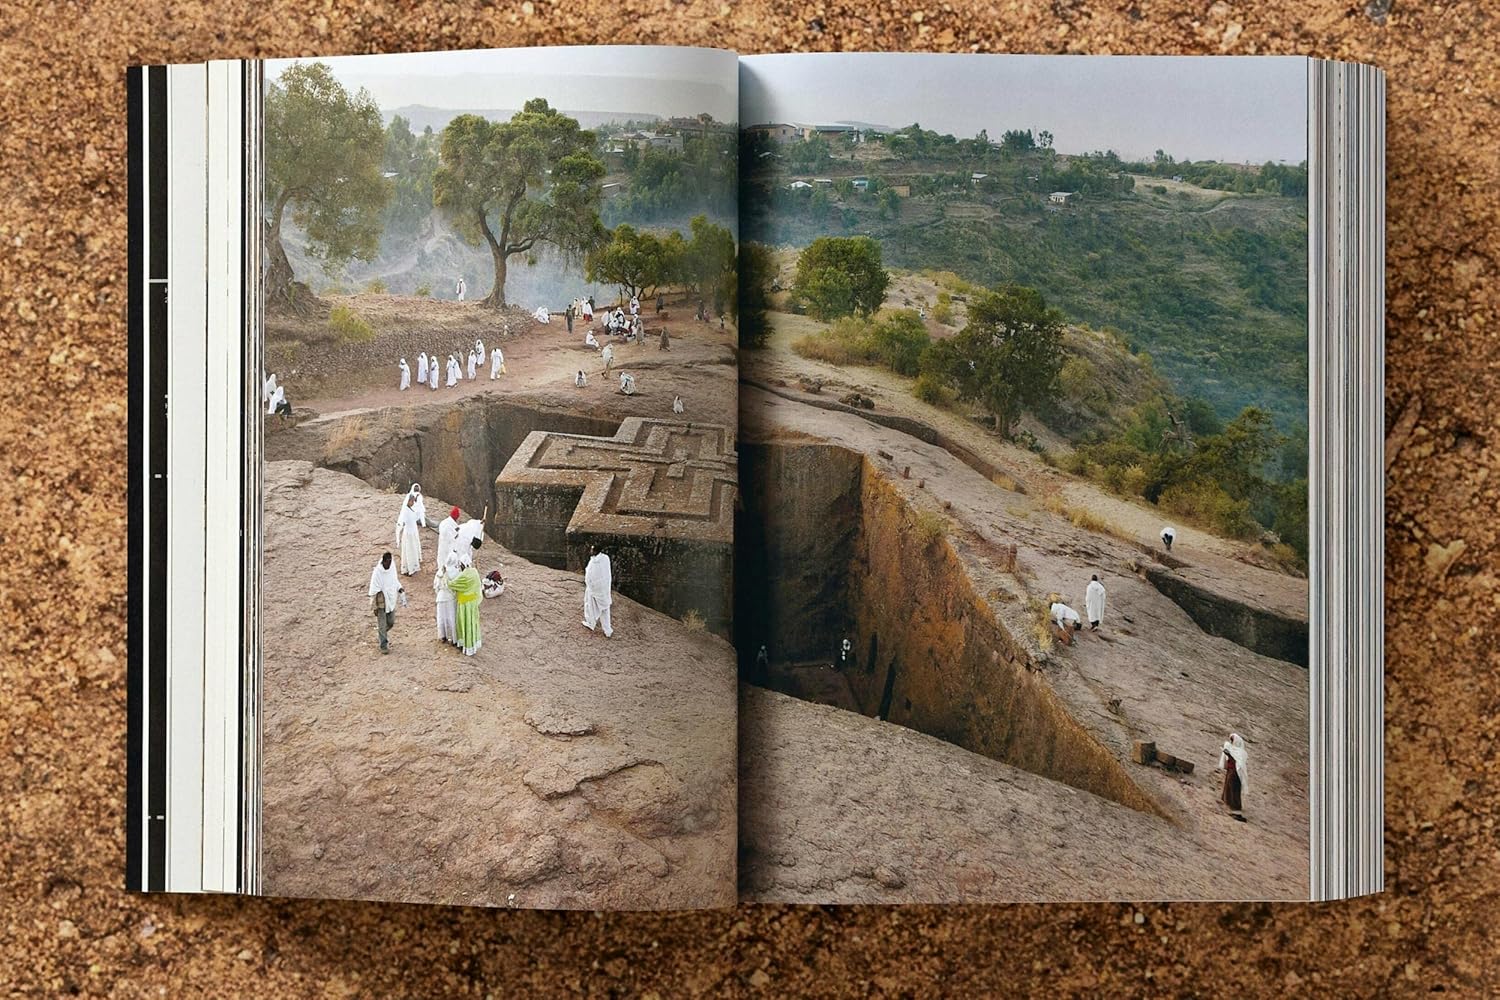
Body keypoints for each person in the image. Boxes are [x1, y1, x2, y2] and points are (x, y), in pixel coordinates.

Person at [368, 551, 404, 654]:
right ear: (383, 562)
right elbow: (374, 589)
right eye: (387, 562)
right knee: (382, 623)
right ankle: (383, 645)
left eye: (390, 561)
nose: (388, 564)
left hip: (391, 599)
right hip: (381, 600)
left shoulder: (392, 568)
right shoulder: (377, 572)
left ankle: (381, 633)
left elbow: (394, 580)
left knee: (391, 621)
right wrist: (375, 604)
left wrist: (399, 588)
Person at [447, 552, 483, 656]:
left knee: (465, 624)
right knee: (473, 623)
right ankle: (473, 645)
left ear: (463, 564)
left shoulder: (463, 575)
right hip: (473, 603)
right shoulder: (474, 572)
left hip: (464, 604)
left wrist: (445, 577)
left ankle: (466, 645)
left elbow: (452, 584)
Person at [582, 546, 613, 637]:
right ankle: (606, 629)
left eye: (592, 549)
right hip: (599, 588)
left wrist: (593, 586)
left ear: (595, 551)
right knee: (600, 607)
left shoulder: (599, 560)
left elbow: (603, 575)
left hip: (597, 588)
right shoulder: (603, 558)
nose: (590, 551)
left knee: (596, 607)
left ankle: (594, 624)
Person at [1219, 732, 1249, 820]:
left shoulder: (1240, 752)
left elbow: (1239, 764)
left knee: (1234, 791)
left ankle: (1237, 812)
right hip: (1231, 771)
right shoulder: (1233, 750)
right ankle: (1230, 806)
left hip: (1235, 774)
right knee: (1229, 789)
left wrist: (1229, 754)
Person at [396, 494, 424, 576]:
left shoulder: (411, 509)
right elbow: (401, 522)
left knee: (413, 549)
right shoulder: (405, 511)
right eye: (411, 501)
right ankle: (409, 568)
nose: (412, 503)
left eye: (413, 501)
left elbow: (415, 517)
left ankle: (413, 566)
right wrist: (398, 535)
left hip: (413, 532)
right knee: (409, 551)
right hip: (408, 534)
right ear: (408, 501)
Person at [434, 555, 458, 646]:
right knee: (451, 618)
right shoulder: (456, 572)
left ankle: (442, 636)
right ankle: (452, 638)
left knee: (441, 617)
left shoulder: (440, 570)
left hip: (440, 597)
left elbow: (435, 585)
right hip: (450, 598)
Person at [437, 505, 461, 569]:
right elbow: (453, 538)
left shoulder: (444, 522)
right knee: (447, 561)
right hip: (447, 546)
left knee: (442, 559)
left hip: (442, 545)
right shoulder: (449, 525)